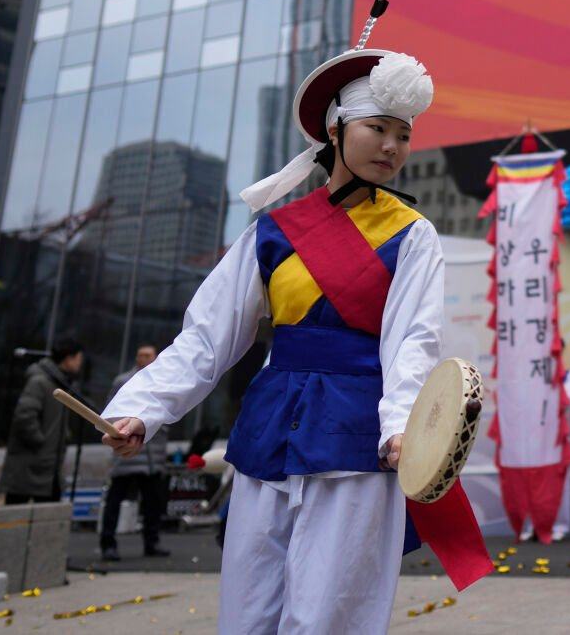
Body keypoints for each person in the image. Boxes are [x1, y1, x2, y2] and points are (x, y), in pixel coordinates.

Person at [100, 49, 490, 634]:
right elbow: (208, 336)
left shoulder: (413, 235)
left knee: (328, 616)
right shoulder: (272, 232)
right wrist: (141, 410)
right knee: (248, 611)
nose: (391, 147)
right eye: (377, 128)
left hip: (357, 440)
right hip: (268, 434)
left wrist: (401, 428)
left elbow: (413, 339)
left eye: (403, 135)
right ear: (335, 130)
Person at [99, 344, 170, 560]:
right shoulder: (123, 381)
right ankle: (108, 543)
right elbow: (111, 410)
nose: (144, 358)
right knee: (115, 500)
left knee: (152, 503)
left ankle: (151, 542)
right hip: (128, 453)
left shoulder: (164, 380)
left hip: (152, 455)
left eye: (148, 355)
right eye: (141, 355)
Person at [0, 338, 84, 503]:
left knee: (47, 514)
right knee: (17, 512)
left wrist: (63, 437)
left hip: (47, 466)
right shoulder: (40, 381)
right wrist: (42, 442)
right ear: (68, 358)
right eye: (78, 358)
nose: (80, 363)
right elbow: (25, 416)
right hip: (31, 464)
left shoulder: (59, 383)